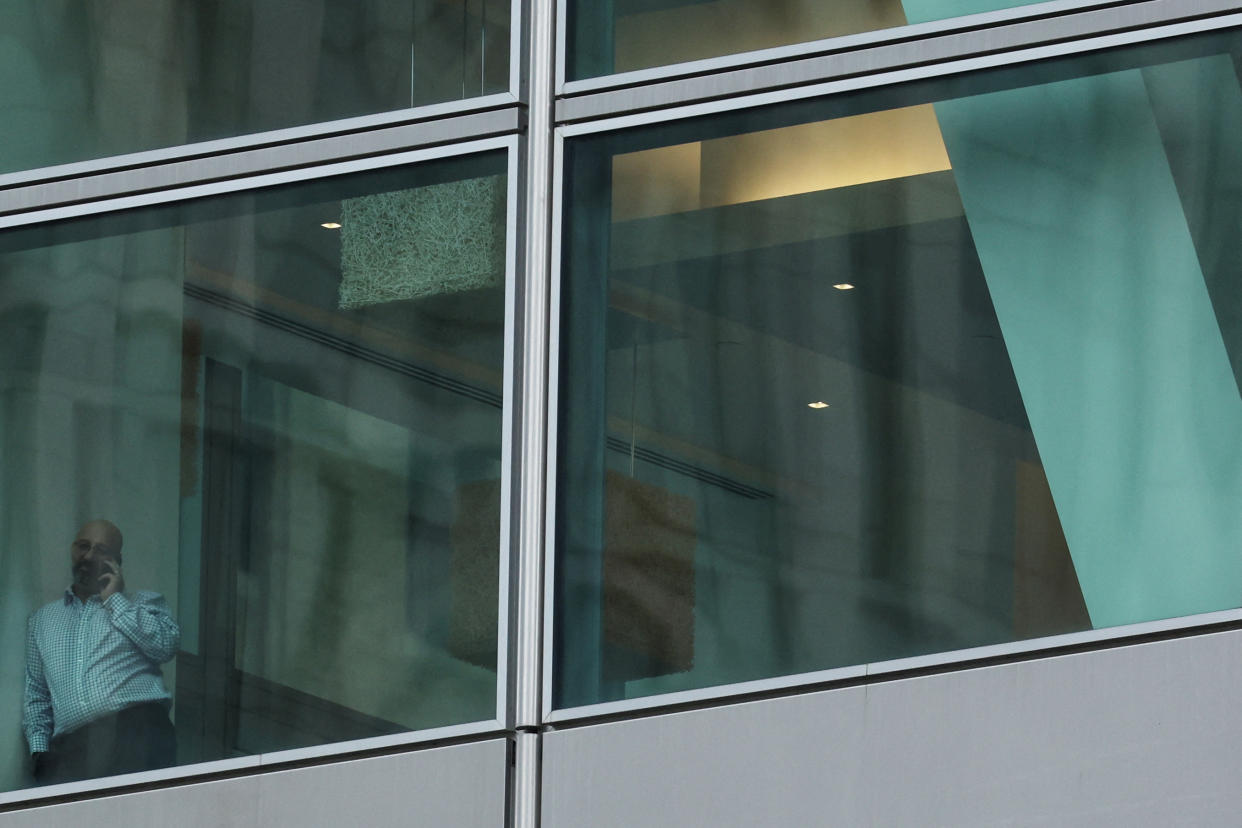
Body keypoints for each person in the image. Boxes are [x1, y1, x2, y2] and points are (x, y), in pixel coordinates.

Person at [23, 519, 180, 785]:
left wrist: (115, 600)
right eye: (83, 546)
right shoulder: (43, 620)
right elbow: (37, 694)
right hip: (71, 750)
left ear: (117, 561)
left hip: (137, 732)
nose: (89, 556)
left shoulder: (145, 602)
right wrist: (40, 752)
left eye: (101, 550)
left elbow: (164, 647)